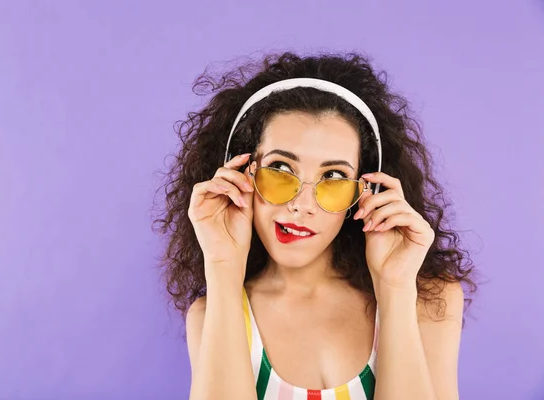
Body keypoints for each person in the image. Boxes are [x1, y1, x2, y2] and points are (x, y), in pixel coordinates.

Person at [153, 51, 477, 400]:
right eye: (280, 169)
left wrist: (395, 288)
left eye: (334, 176)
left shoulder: (429, 302)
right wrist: (221, 265)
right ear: (241, 173)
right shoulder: (213, 313)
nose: (301, 205)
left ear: (368, 191)